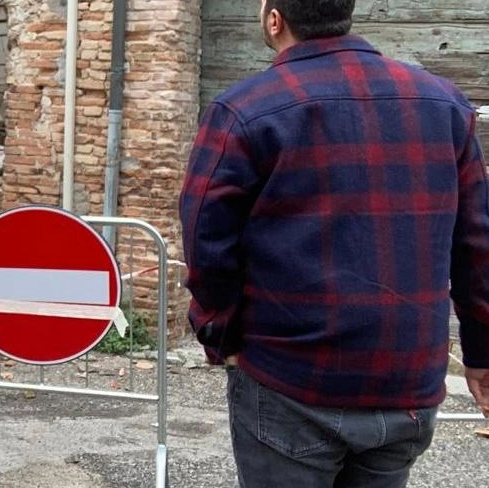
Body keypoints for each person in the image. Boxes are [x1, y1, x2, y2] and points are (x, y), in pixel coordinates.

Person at [178, 0, 489, 486]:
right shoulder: (444, 104)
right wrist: (481, 351)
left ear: (274, 19)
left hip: (290, 378)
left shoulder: (243, 109)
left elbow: (205, 239)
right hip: (404, 380)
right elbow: (477, 245)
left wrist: (221, 336)